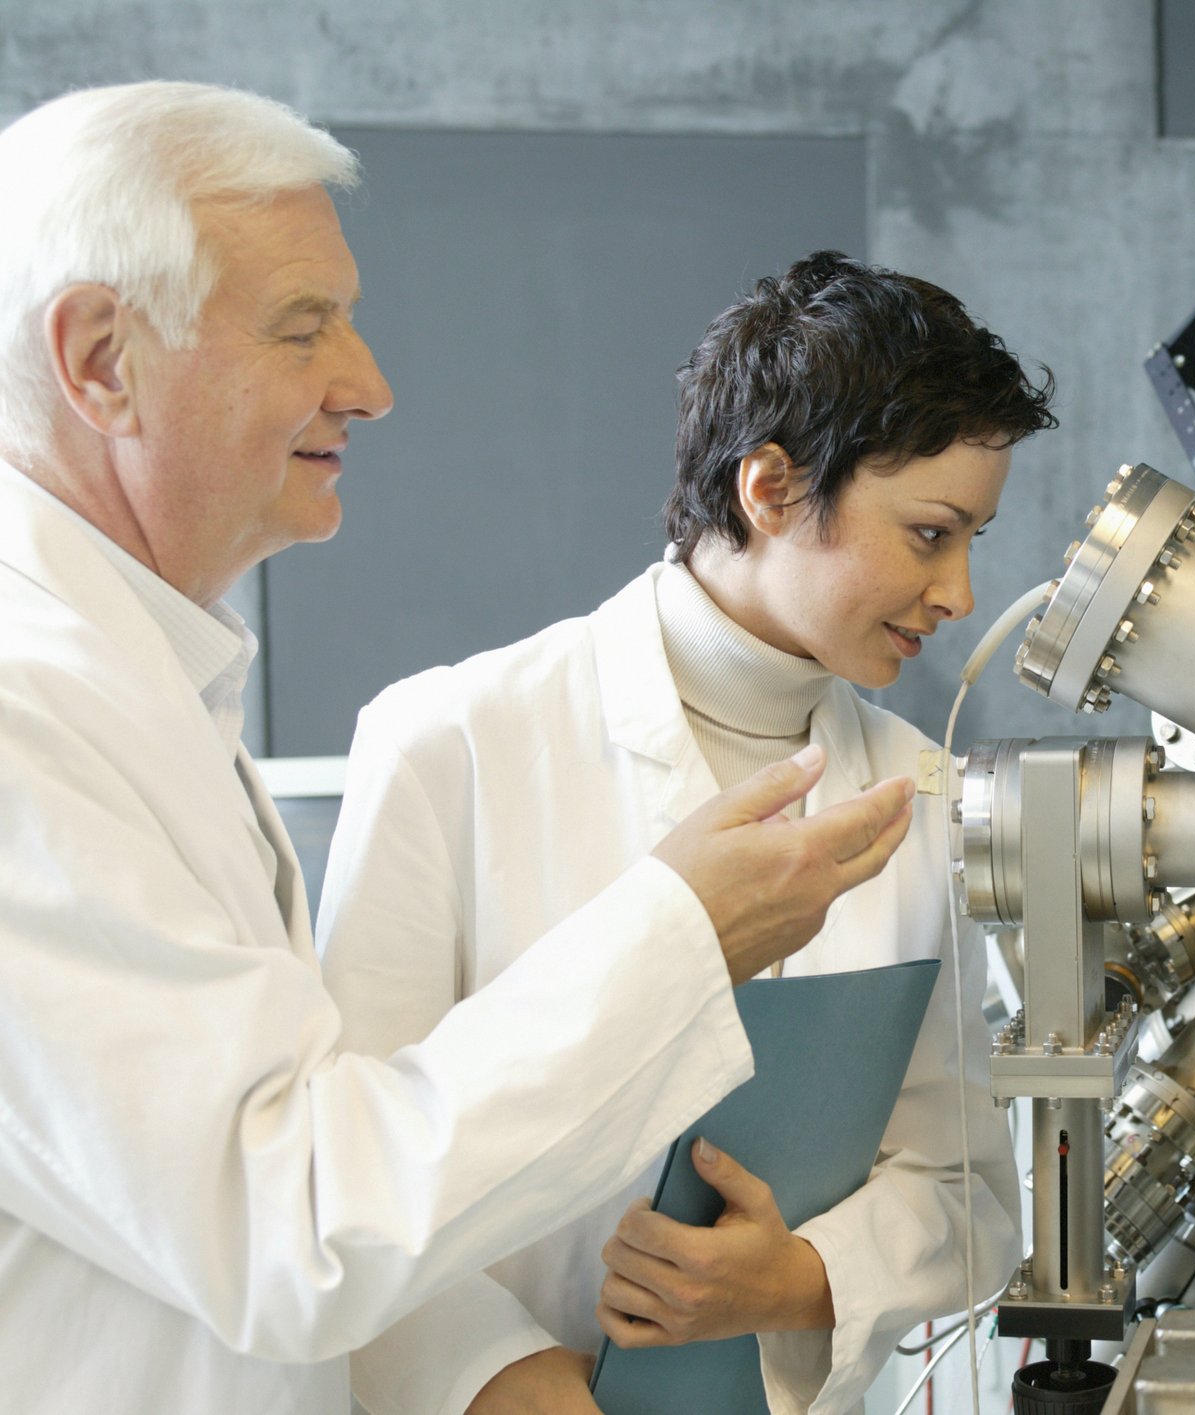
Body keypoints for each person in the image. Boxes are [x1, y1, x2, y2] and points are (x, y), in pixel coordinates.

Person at [0, 81, 914, 1414]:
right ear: (99, 359)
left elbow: (244, 1190)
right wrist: (678, 936)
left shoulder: (133, 676)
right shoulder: (28, 710)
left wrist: (491, 1365)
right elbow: (295, 1223)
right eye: (302, 327)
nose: (366, 383)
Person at [317, 252, 1049, 1413]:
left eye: (971, 539)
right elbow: (339, 1171)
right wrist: (497, 1374)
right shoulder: (446, 743)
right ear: (768, 486)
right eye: (927, 533)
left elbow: (966, 1187)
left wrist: (802, 1277)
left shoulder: (919, 791)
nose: (958, 591)